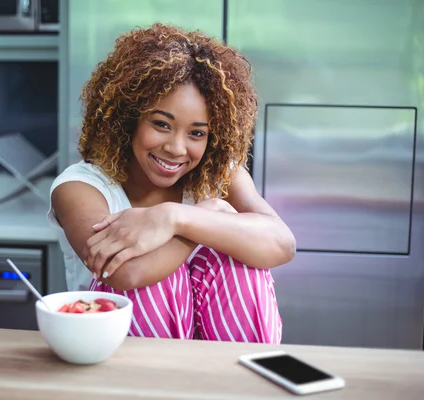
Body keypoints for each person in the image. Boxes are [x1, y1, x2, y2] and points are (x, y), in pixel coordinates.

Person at [47, 23, 296, 343]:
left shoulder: (217, 172)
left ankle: (239, 384)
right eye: (162, 124)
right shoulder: (80, 187)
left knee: (242, 255)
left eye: (197, 133)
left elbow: (281, 244)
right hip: (115, 351)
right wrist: (201, 223)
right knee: (153, 266)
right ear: (130, 118)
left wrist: (175, 217)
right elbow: (125, 274)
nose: (177, 148)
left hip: (214, 350)